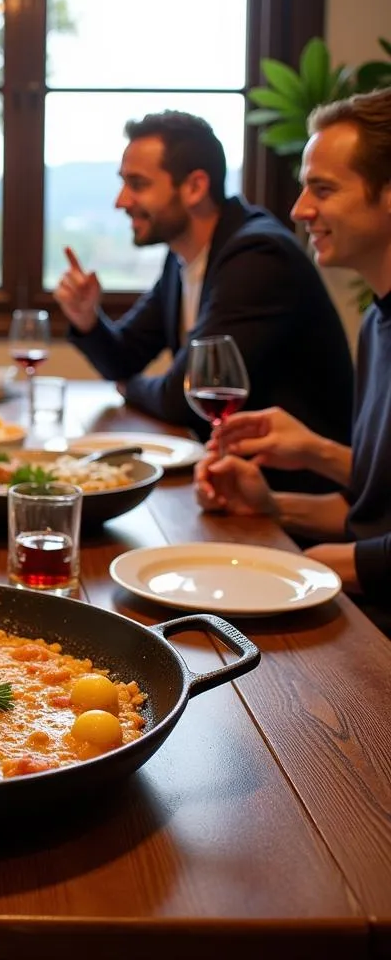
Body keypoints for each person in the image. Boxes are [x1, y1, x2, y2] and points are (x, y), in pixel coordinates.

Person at [54, 110, 354, 493]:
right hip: (230, 483)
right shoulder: (184, 256)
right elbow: (123, 357)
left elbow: (185, 397)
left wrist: (131, 387)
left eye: (137, 184)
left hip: (296, 498)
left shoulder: (257, 256)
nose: (121, 200)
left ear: (195, 186)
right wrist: (87, 320)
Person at [195, 87, 391, 633]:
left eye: (322, 189)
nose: (299, 209)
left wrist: (313, 568)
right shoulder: (379, 323)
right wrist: (275, 502)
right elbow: (374, 516)